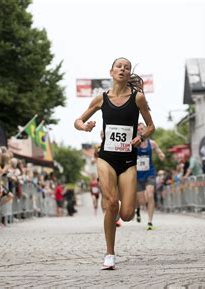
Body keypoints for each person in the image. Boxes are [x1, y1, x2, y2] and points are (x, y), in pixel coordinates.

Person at [74, 57, 155, 270]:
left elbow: (150, 126)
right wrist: (85, 127)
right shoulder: (101, 98)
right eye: (119, 66)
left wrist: (141, 137)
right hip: (106, 158)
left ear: (129, 74)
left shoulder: (137, 98)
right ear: (111, 72)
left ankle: (119, 210)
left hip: (128, 160)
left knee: (126, 214)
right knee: (111, 203)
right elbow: (78, 120)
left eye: (127, 67)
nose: (123, 69)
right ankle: (109, 254)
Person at [135, 122, 165, 230]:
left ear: (146, 130)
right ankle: (138, 210)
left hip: (150, 173)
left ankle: (150, 222)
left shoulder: (152, 143)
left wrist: (161, 155)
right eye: (138, 129)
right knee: (142, 201)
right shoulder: (134, 143)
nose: (140, 131)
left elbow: (159, 151)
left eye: (142, 129)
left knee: (150, 195)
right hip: (137, 175)